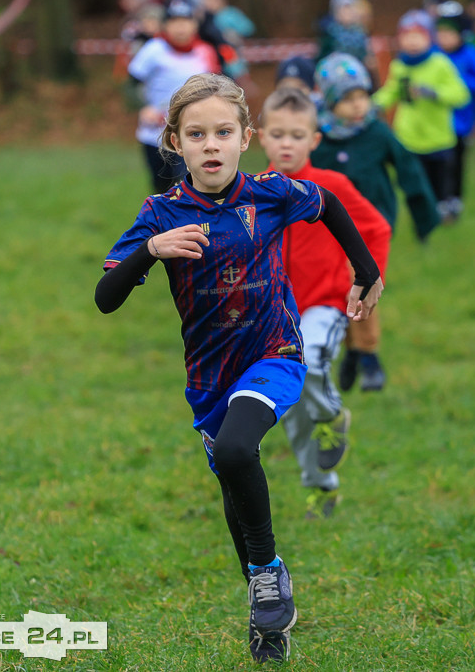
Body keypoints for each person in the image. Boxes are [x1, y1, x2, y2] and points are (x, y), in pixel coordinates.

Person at [95, 73, 384, 662]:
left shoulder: (272, 193)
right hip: (209, 379)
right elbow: (105, 296)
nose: (211, 145)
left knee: (233, 453)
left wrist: (365, 270)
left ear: (245, 137)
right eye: (196, 134)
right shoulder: (161, 214)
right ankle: (266, 608)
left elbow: (326, 204)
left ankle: (269, 569)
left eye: (223, 132)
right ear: (174, 142)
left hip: (274, 354)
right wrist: (151, 251)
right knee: (233, 478)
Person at [256, 86, 391, 517]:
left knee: (312, 361)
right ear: (260, 137)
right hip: (273, 317)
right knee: (289, 410)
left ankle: (333, 415)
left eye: (297, 135)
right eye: (277, 134)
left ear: (314, 140)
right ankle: (321, 487)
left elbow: (376, 229)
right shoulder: (250, 192)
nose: (287, 144)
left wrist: (368, 280)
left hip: (325, 306)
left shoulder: (330, 186)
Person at [312, 53, 439, 392]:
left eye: (362, 96)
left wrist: (425, 217)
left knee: (363, 283)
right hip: (326, 233)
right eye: (347, 99)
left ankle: (368, 355)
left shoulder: (378, 133)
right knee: (338, 288)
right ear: (328, 101)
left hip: (371, 228)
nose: (358, 106)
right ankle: (353, 351)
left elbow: (409, 171)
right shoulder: (316, 139)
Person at [373, 9, 470, 224]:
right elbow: (392, 91)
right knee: (416, 182)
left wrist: (435, 93)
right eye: (407, 36)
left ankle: (443, 213)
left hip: (438, 137)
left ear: (430, 38)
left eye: (418, 35)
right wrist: (373, 104)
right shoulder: (399, 65)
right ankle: (423, 218)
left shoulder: (441, 64)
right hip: (409, 137)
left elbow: (461, 95)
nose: (412, 41)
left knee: (440, 183)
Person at [127, 0, 220, 194]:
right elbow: (131, 84)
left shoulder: (206, 52)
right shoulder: (153, 50)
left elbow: (219, 90)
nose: (180, 27)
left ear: (195, 23)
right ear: (165, 25)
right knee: (161, 189)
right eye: (174, 21)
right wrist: (143, 106)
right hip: (154, 134)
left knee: (186, 186)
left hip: (191, 134)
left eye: (186, 21)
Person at [435, 0, 475, 224]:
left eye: (449, 33)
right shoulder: (434, 56)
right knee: (439, 164)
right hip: (436, 124)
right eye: (440, 33)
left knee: (456, 162)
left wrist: (458, 82)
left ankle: (455, 202)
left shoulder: (470, 54)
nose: (444, 38)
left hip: (461, 122)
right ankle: (440, 203)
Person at [316, 0, 375, 75]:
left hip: (357, 72)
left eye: (350, 9)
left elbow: (364, 53)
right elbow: (323, 55)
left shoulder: (360, 31)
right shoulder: (330, 32)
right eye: (344, 9)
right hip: (336, 72)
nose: (347, 13)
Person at [201, 0, 255, 81]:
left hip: (231, 56)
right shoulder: (206, 17)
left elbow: (248, 28)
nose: (209, 2)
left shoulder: (231, 13)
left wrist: (233, 34)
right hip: (213, 60)